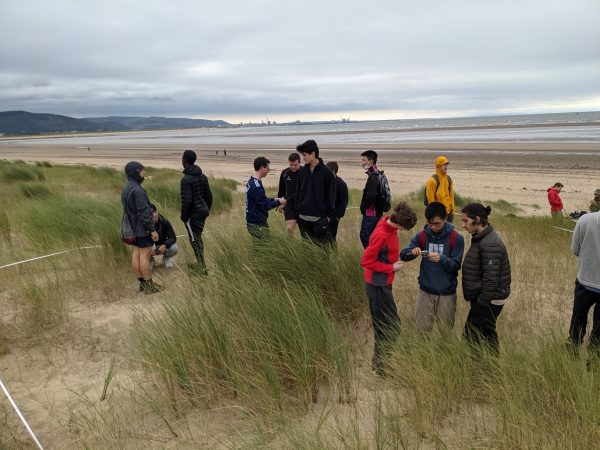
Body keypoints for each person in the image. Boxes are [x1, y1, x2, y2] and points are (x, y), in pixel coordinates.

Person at [361, 202, 418, 376]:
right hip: (377, 285)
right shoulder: (381, 234)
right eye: (405, 228)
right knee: (391, 327)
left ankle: (380, 364)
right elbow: (366, 261)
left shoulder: (388, 225)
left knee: (386, 326)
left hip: (384, 283)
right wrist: (390, 268)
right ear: (399, 224)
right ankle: (380, 365)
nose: (404, 231)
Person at [400, 201, 465, 333]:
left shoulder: (456, 238)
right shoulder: (423, 235)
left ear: (445, 219)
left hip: (447, 293)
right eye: (430, 223)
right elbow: (403, 255)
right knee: (421, 332)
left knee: (445, 334)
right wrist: (412, 252)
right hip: (425, 291)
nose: (433, 227)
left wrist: (442, 259)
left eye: (437, 223)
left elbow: (455, 266)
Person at [461, 203, 511, 355]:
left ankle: (486, 365)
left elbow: (491, 279)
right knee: (484, 333)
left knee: (473, 334)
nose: (463, 225)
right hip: (485, 297)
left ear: (477, 219)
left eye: (465, 221)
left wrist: (480, 304)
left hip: (489, 299)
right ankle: (487, 364)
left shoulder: (490, 243)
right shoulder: (481, 238)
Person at [121, 161, 162, 294]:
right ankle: (149, 286)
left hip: (132, 229)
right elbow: (144, 213)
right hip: (141, 229)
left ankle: (143, 284)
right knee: (144, 256)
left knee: (136, 254)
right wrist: (152, 230)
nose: (144, 173)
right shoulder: (138, 190)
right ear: (136, 172)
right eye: (142, 170)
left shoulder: (126, 188)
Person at [568, 210, 600, 368]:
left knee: (578, 317)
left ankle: (573, 350)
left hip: (585, 281)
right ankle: (593, 360)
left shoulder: (585, 220)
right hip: (586, 280)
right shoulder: (586, 219)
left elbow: (575, 249)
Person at [295, 140, 336, 246]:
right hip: (303, 219)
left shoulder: (327, 173)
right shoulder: (301, 172)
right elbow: (298, 193)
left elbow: (331, 195)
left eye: (304, 155)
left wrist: (328, 216)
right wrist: (297, 212)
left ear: (313, 153)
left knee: (321, 250)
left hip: (320, 219)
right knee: (307, 249)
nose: (303, 158)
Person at [180, 150, 212, 274]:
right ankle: (200, 264)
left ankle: (202, 268)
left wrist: (184, 217)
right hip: (202, 212)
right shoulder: (203, 176)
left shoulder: (186, 180)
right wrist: (206, 209)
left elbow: (186, 202)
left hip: (193, 215)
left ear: (185, 160)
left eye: (182, 158)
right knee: (197, 237)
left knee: (195, 239)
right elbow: (209, 196)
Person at [246, 157, 286, 239]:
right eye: (268, 168)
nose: (269, 171)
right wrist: (279, 202)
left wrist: (274, 199)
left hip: (253, 222)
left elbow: (260, 200)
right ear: (262, 168)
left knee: (258, 245)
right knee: (265, 245)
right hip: (257, 224)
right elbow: (265, 205)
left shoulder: (252, 181)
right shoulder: (256, 186)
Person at [359, 150, 384, 248]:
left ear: (371, 161)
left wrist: (363, 207)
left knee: (364, 236)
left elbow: (371, 195)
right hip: (376, 212)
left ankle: (372, 254)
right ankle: (374, 254)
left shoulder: (373, 175)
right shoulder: (377, 173)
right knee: (372, 236)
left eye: (364, 160)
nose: (362, 162)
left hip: (371, 213)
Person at [277, 152, 302, 234]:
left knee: (305, 231)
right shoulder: (285, 173)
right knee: (290, 228)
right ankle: (290, 242)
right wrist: (279, 204)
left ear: (299, 163)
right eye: (291, 165)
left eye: (295, 165)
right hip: (289, 205)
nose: (293, 167)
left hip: (302, 205)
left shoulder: (305, 172)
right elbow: (281, 190)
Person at [425, 156, 455, 223]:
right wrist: (434, 215)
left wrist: (452, 210)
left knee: (449, 230)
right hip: (438, 215)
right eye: (444, 164)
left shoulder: (449, 179)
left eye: (447, 164)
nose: (446, 166)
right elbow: (431, 202)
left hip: (449, 214)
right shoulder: (432, 181)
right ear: (438, 166)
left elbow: (451, 196)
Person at [326, 161, 349, 242]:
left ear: (333, 171)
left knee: (331, 238)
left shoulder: (341, 184)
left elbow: (344, 202)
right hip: (323, 215)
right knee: (322, 237)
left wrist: (337, 217)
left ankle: (333, 251)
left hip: (334, 216)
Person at [150, 204, 178, 269]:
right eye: (148, 215)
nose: (150, 216)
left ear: (156, 212)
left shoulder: (165, 222)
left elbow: (173, 237)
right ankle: (151, 260)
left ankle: (166, 258)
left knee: (174, 248)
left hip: (163, 246)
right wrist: (152, 247)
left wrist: (165, 245)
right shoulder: (144, 224)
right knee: (141, 250)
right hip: (150, 247)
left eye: (152, 214)